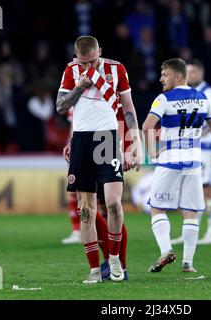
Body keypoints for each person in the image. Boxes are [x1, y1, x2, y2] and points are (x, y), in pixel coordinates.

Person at [56, 36, 142, 283]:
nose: (88, 66)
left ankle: (115, 261)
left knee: (114, 204)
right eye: (83, 62)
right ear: (76, 57)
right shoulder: (72, 71)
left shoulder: (117, 69)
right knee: (86, 210)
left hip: (108, 140)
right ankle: (95, 269)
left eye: (92, 61)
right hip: (82, 142)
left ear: (100, 52)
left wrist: (135, 142)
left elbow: (128, 108)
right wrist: (80, 85)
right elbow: (61, 107)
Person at [142, 58, 211, 273]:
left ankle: (166, 250)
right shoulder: (202, 98)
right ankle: (188, 263)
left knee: (157, 207)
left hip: (170, 158)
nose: (161, 78)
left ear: (178, 76)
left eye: (165, 74)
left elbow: (146, 127)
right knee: (190, 210)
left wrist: (153, 153)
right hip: (193, 160)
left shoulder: (164, 99)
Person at [61, 106, 130, 281]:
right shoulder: (78, 90)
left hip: (109, 143)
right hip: (83, 146)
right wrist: (72, 143)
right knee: (92, 208)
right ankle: (108, 262)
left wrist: (126, 147)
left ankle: (119, 263)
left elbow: (123, 114)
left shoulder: (108, 85)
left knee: (110, 206)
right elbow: (79, 122)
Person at [171, 59, 211, 246]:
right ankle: (188, 233)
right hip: (190, 147)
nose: (190, 75)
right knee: (187, 188)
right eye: (188, 72)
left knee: (207, 187)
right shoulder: (191, 93)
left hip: (205, 147)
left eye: (194, 72)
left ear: (201, 73)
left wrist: (208, 128)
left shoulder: (207, 91)